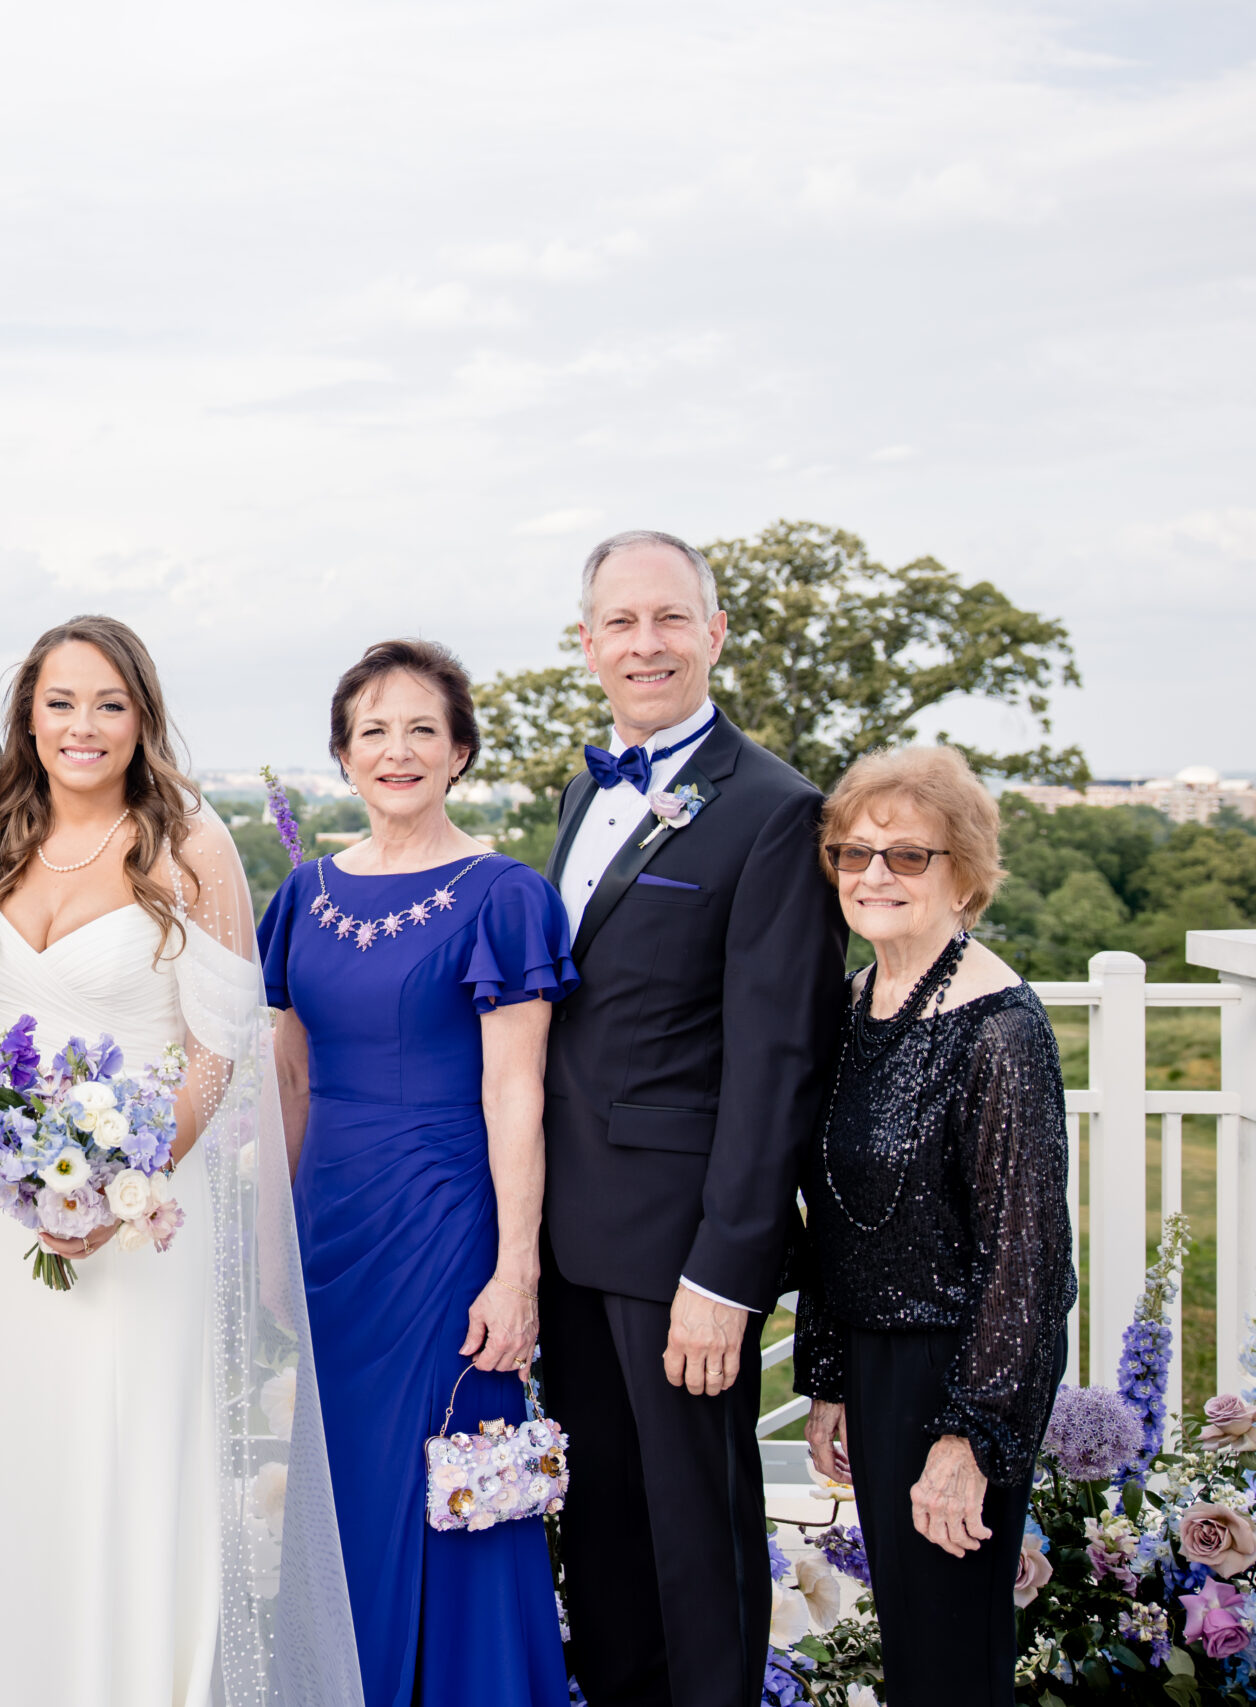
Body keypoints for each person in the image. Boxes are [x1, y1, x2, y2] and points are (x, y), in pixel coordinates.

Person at [0, 615, 357, 1706]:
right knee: (21, 1462)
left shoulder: (188, 842)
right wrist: (9, 1171)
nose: (84, 725)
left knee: (132, 1463)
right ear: (28, 710)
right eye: (61, 701)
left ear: (142, 716)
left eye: (108, 703)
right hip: (8, 1215)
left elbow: (220, 1048)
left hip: (147, 1213)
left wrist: (125, 1186)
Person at [537, 530, 847, 1707]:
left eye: (669, 619)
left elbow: (778, 1064)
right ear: (588, 645)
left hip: (679, 1261)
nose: (644, 643)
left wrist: (725, 1274)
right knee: (604, 1541)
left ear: (713, 634)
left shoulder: (773, 809)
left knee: (696, 1551)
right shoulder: (583, 791)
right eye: (620, 623)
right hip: (573, 1242)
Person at [262, 639, 577, 1706]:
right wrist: (273, 1244)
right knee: (340, 1487)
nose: (396, 751)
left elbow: (515, 1092)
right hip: (330, 1236)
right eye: (372, 731)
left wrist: (515, 1271)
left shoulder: (503, 896)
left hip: (446, 1238)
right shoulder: (302, 896)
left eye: (421, 730)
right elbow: (290, 1084)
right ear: (343, 757)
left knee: (458, 1489)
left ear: (460, 752)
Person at [795, 746, 1075, 1706]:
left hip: (959, 1376)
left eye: (907, 855)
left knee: (952, 1660)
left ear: (966, 873)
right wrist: (829, 1375)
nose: (874, 875)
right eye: (853, 853)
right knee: (913, 1650)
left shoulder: (1000, 1028)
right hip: (875, 1373)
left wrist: (969, 1440)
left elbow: (1028, 1266)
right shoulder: (851, 1005)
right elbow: (835, 1212)